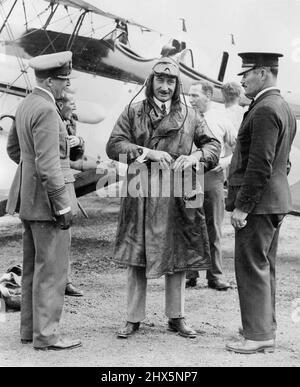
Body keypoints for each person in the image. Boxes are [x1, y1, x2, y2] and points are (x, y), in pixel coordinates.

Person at [106, 57, 221, 339]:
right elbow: (114, 145)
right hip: (141, 189)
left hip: (178, 190)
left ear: (177, 84)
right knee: (137, 253)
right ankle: (133, 318)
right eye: (160, 80)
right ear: (151, 82)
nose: (165, 87)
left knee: (178, 252)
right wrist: (146, 152)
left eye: (171, 82)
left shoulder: (191, 115)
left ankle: (176, 317)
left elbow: (213, 146)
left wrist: (195, 156)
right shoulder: (133, 112)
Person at [6, 51, 81, 351]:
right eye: (64, 81)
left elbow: (15, 151)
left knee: (33, 269)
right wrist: (62, 205)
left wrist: (30, 180)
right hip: (49, 206)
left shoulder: (25, 104)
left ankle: (29, 331)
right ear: (50, 80)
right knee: (52, 270)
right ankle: (47, 335)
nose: (66, 86)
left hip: (28, 202)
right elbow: (49, 165)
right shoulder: (49, 110)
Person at [225, 52, 296, 354]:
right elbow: (284, 162)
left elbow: (260, 164)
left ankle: (257, 335)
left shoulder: (265, 109)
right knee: (265, 266)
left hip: (259, 204)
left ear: (264, 73)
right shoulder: (281, 106)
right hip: (274, 201)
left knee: (251, 266)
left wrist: (243, 206)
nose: (242, 80)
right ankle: (264, 327)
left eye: (247, 73)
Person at [186, 81, 236, 290]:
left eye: (195, 95)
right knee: (189, 225)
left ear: (208, 96)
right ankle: (190, 273)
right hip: (189, 177)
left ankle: (215, 275)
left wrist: (222, 163)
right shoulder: (184, 119)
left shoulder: (222, 120)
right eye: (190, 95)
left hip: (213, 178)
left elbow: (237, 149)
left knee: (213, 227)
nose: (191, 99)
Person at [56, 92, 84, 297]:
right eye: (71, 105)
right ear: (60, 104)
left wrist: (79, 141)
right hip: (51, 183)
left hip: (66, 184)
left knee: (66, 234)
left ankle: (65, 281)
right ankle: (54, 281)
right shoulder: (50, 118)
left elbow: (75, 158)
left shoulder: (69, 122)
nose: (73, 109)